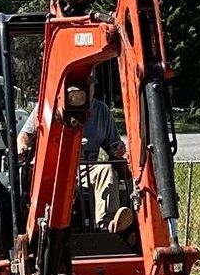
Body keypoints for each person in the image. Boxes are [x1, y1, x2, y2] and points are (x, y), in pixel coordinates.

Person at [17, 84, 134, 232]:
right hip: (54, 167)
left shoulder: (101, 111)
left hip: (85, 168)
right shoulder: (47, 106)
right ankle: (43, 227)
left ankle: (107, 224)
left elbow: (112, 145)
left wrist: (117, 149)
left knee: (106, 170)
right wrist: (22, 146)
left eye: (90, 81)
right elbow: (25, 134)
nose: (85, 87)